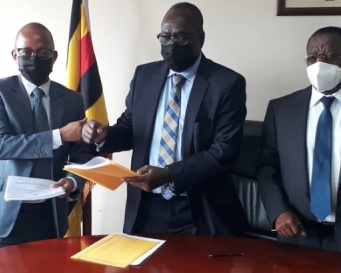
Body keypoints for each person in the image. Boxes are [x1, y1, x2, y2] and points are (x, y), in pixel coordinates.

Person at [82, 2, 248, 235]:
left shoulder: (227, 84)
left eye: (181, 37)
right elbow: (131, 128)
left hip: (199, 208)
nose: (171, 44)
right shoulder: (145, 75)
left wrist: (170, 175)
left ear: (200, 38)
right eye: (165, 37)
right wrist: (104, 135)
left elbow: (224, 151)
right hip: (146, 206)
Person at [0, 22, 92, 252]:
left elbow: (82, 154)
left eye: (43, 52)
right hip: (2, 216)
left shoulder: (72, 100)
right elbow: (0, 146)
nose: (34, 57)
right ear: (15, 55)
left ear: (53, 57)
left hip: (49, 215)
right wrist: (59, 136)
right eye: (26, 52)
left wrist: (73, 181)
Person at [257, 26, 341, 251]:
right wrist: (278, 212)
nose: (319, 64)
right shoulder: (281, 109)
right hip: (298, 233)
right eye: (312, 57)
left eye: (330, 55)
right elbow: (267, 167)